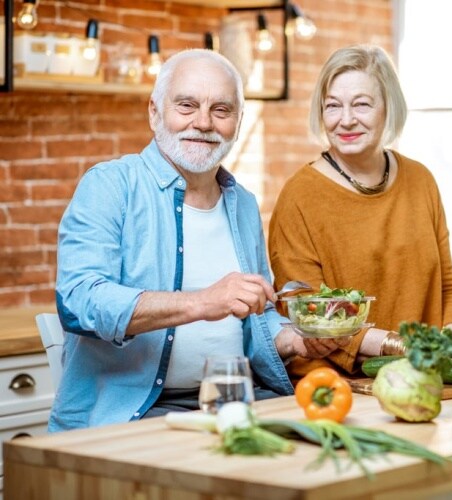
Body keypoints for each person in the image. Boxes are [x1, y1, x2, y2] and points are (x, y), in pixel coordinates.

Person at [48, 49, 345, 432]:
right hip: (136, 414)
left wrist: (295, 342)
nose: (203, 123)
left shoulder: (243, 204)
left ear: (238, 122)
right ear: (154, 113)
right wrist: (202, 302)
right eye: (186, 105)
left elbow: (257, 317)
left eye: (221, 110)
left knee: (335, 454)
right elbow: (78, 301)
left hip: (236, 401)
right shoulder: (109, 185)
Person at [268, 44, 452, 383]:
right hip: (336, 384)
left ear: (388, 108)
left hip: (424, 376)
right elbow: (309, 315)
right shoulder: (299, 196)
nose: (346, 120)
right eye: (333, 106)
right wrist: (402, 346)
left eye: (361, 104)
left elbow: (447, 286)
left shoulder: (420, 180)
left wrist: (449, 346)